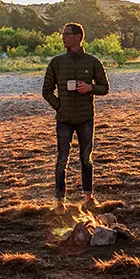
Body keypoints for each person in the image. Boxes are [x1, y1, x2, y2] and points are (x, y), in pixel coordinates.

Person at [42, 22, 110, 212]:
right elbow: (46, 91)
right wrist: (60, 107)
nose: (63, 37)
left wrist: (90, 88)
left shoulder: (93, 62)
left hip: (85, 118)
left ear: (78, 36)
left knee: (86, 158)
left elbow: (105, 88)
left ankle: (88, 198)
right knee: (61, 159)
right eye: (62, 34)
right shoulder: (56, 63)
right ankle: (59, 201)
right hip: (63, 119)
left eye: (66, 34)